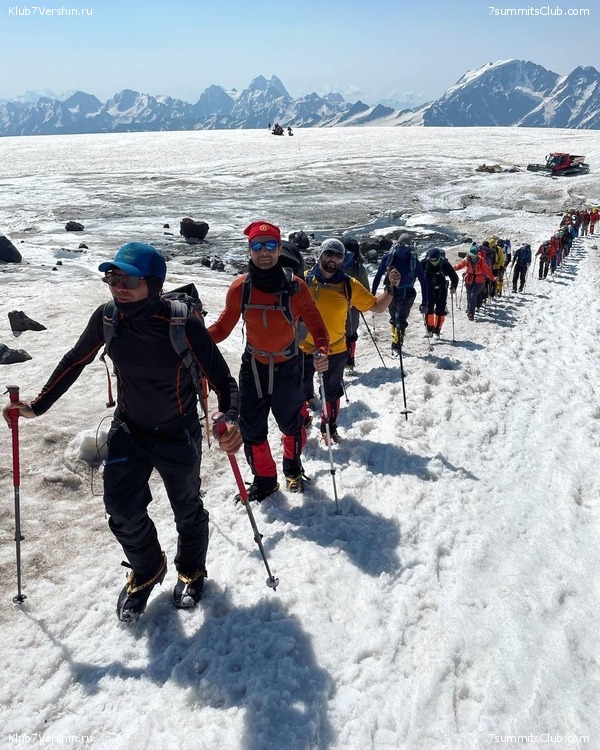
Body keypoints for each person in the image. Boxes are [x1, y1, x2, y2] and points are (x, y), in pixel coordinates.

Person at [2, 242, 243, 623]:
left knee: (187, 508)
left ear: (153, 284)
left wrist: (231, 419)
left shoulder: (182, 324)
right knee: (120, 509)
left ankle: (191, 571)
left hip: (178, 433)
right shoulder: (108, 317)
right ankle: (147, 568)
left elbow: (224, 381)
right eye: (112, 277)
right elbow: (75, 360)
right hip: (129, 430)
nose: (118, 286)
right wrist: (38, 406)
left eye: (128, 280)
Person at [208, 221, 329, 498]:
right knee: (251, 429)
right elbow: (222, 329)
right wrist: (191, 339)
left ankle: (293, 469)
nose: (264, 251)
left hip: (288, 366)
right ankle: (265, 481)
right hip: (253, 367)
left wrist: (322, 350)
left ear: (278, 249)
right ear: (249, 250)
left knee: (291, 425)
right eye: (257, 245)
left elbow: (318, 328)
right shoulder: (240, 288)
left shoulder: (296, 287)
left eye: (270, 245)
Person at [301, 238, 400, 444]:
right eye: (329, 253)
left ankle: (329, 428)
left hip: (335, 349)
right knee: (298, 388)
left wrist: (391, 287)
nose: (333, 259)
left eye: (338, 255)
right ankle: (301, 421)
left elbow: (377, 306)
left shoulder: (349, 285)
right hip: (304, 347)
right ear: (320, 255)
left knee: (332, 393)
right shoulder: (304, 280)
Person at [371, 239, 428, 353]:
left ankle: (397, 342)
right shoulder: (391, 258)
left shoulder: (411, 260)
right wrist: (372, 295)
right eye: (401, 244)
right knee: (395, 318)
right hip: (395, 291)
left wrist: (425, 302)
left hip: (403, 293)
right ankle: (397, 341)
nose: (403, 246)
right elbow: (423, 281)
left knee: (399, 319)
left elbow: (423, 281)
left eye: (406, 244)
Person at [340, 235, 370, 369]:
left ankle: (349, 361)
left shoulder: (359, 269)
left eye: (349, 253)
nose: (346, 256)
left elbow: (366, 292)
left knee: (350, 335)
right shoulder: (332, 265)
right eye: (343, 252)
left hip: (351, 309)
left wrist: (354, 302)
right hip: (333, 307)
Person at [421, 248, 458, 335]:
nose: (433, 261)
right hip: (428, 289)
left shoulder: (444, 263)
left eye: (435, 260)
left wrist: (453, 286)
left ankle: (437, 330)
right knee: (428, 309)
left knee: (440, 311)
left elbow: (454, 276)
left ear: (439, 258)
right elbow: (417, 273)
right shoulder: (424, 263)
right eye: (431, 259)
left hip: (442, 289)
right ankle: (429, 329)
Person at [454, 245, 495, 320]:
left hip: (479, 280)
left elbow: (487, 270)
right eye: (471, 254)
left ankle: (471, 313)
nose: (471, 256)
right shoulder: (467, 259)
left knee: (473, 295)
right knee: (469, 295)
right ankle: (469, 308)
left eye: (473, 255)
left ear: (477, 254)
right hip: (469, 279)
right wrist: (453, 269)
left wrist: (492, 278)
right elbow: (460, 265)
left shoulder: (481, 260)